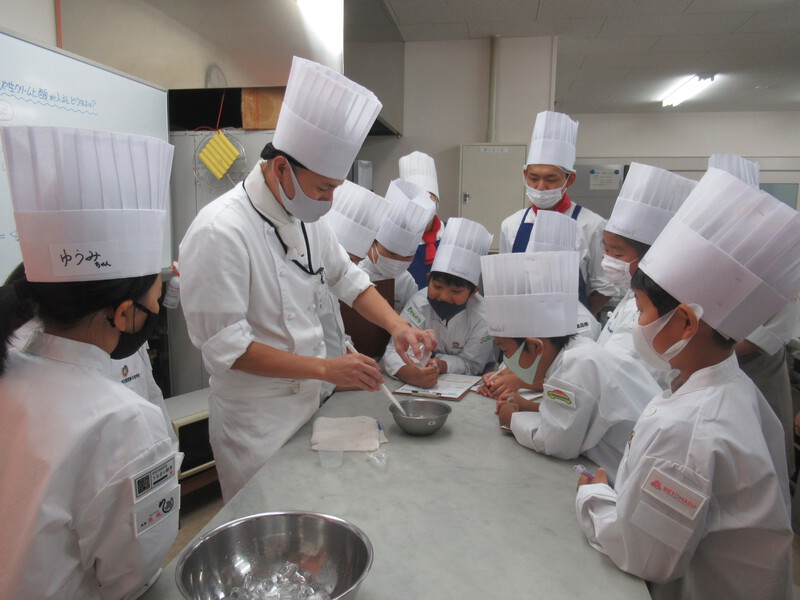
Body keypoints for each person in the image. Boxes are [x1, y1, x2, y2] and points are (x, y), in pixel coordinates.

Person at [179, 57, 436, 502]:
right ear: (281, 168)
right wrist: (325, 368)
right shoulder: (220, 231)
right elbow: (228, 348)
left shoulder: (305, 215)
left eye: (335, 187)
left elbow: (347, 278)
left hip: (309, 407)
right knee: (269, 534)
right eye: (322, 188)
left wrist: (398, 327)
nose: (329, 200)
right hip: (255, 423)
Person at [575, 168, 800, 600]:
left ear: (684, 322)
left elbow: (644, 557)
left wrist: (594, 497)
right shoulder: (728, 389)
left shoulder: (690, 428)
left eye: (640, 310)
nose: (636, 324)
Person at [0, 126, 180, 600]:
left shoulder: (11, 371)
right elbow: (131, 575)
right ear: (124, 314)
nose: (159, 312)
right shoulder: (124, 423)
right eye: (157, 300)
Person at [480, 251, 659, 483]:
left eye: (505, 351)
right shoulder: (577, 351)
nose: (508, 362)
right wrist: (533, 408)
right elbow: (580, 417)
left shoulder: (573, 367)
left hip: (632, 477)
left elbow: (557, 443)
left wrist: (511, 420)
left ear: (535, 347)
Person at [709, 153, 799, 476]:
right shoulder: (706, 248)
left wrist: (705, 357)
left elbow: (770, 335)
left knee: (759, 469)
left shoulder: (782, 254)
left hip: (756, 376)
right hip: (707, 373)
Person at [498, 110, 615, 316]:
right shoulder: (511, 225)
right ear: (524, 175)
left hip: (571, 332)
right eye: (533, 178)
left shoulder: (591, 225)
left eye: (551, 179)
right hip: (520, 326)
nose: (541, 187)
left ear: (570, 180)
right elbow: (506, 283)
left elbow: (604, 288)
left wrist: (578, 321)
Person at [479, 211, 602, 401]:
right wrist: (500, 375)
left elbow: (562, 378)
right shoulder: (533, 309)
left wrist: (517, 381)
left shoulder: (581, 322)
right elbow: (520, 351)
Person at [596, 162, 696, 391]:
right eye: (606, 250)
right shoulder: (632, 295)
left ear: (652, 255)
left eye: (618, 253)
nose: (608, 260)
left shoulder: (653, 307)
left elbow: (620, 376)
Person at [381, 218, 494, 388]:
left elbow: (472, 365)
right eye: (437, 286)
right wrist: (407, 373)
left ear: (473, 292)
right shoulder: (419, 304)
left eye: (456, 292)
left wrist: (441, 365)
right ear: (428, 279)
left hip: (475, 385)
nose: (443, 296)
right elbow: (393, 350)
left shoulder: (484, 316)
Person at [317, 180, 392, 399]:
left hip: (324, 393)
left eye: (355, 263)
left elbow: (333, 329)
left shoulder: (330, 283)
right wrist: (333, 382)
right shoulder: (303, 278)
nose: (349, 269)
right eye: (347, 260)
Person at [359, 178, 435, 313]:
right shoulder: (354, 271)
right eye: (391, 253)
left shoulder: (407, 283)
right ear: (372, 244)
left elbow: (413, 318)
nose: (397, 262)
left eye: (406, 257)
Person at [399, 151, 444, 288]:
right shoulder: (397, 240)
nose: (422, 202)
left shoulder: (450, 235)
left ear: (436, 199)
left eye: (428, 195)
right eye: (415, 196)